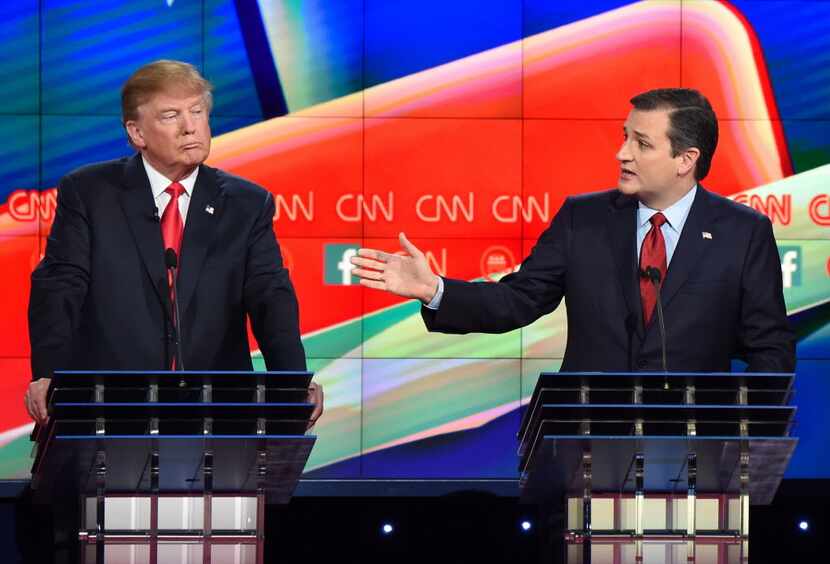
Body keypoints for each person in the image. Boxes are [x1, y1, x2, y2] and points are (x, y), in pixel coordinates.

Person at [351, 88, 795, 373]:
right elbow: (518, 300)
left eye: (641, 144)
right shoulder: (583, 220)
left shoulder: (742, 232)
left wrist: (748, 436)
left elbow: (769, 349)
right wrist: (436, 290)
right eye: (624, 137)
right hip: (589, 443)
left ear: (686, 159)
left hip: (698, 451)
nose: (622, 153)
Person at [24, 60, 322, 424]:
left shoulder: (247, 204)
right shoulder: (90, 193)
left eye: (197, 111)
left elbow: (270, 297)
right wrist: (48, 375)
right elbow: (59, 288)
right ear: (136, 133)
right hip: (110, 410)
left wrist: (292, 382)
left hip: (217, 413)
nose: (189, 126)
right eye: (170, 116)